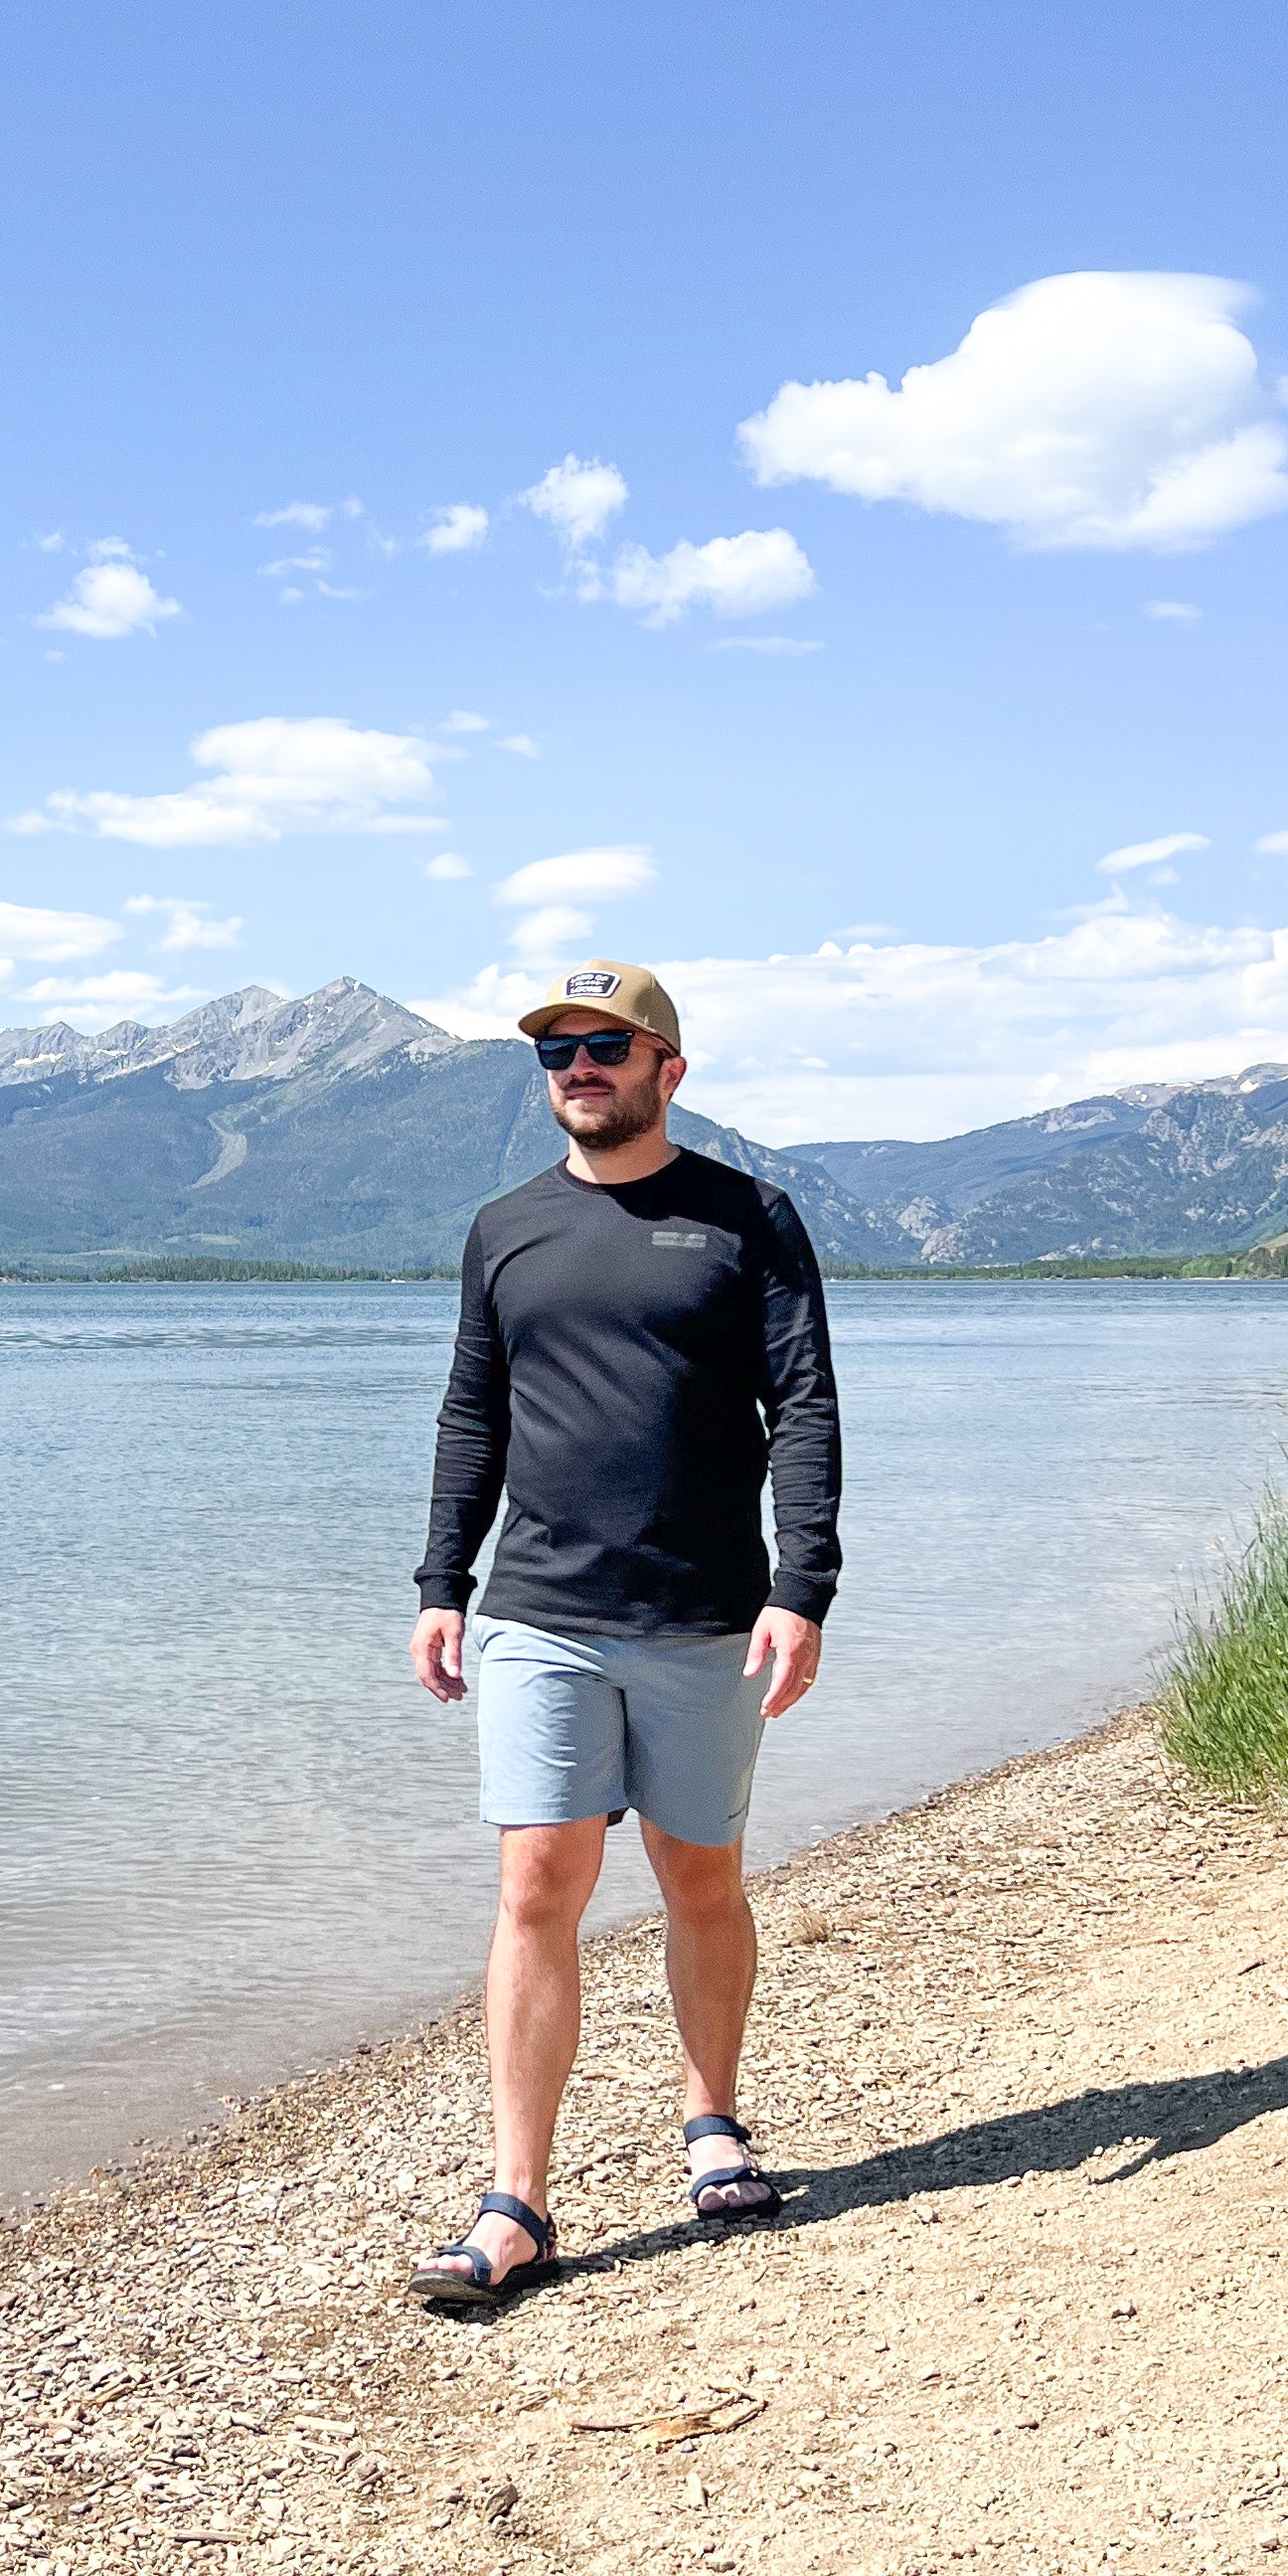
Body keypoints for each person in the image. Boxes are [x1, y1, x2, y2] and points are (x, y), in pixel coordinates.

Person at [403, 959, 843, 2306]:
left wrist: (802, 1585)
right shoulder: (506, 1229)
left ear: (669, 1069)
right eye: (557, 1053)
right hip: (540, 1610)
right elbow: (472, 1410)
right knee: (537, 1882)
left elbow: (806, 1407)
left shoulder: (747, 1218)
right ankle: (517, 2201)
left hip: (705, 1613)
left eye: (607, 1045)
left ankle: (712, 2124)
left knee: (699, 1878)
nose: (579, 1068)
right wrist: (441, 1583)